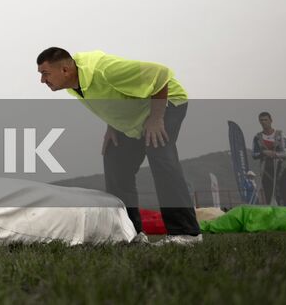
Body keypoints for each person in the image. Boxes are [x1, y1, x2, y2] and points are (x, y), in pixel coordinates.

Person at [36, 47, 200, 243]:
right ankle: (130, 234)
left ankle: (186, 233)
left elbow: (160, 75)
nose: (42, 81)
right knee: (115, 162)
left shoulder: (106, 71)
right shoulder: (73, 83)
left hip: (165, 104)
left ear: (64, 70)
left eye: (45, 74)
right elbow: (113, 99)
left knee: (161, 158)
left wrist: (156, 118)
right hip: (134, 118)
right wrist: (113, 125)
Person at [251, 111, 286, 206]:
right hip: (266, 171)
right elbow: (254, 154)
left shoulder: (280, 134)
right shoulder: (257, 137)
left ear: (271, 120)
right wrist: (263, 153)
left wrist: (274, 154)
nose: (263, 122)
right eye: (261, 120)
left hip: (282, 169)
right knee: (269, 195)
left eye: (265, 120)